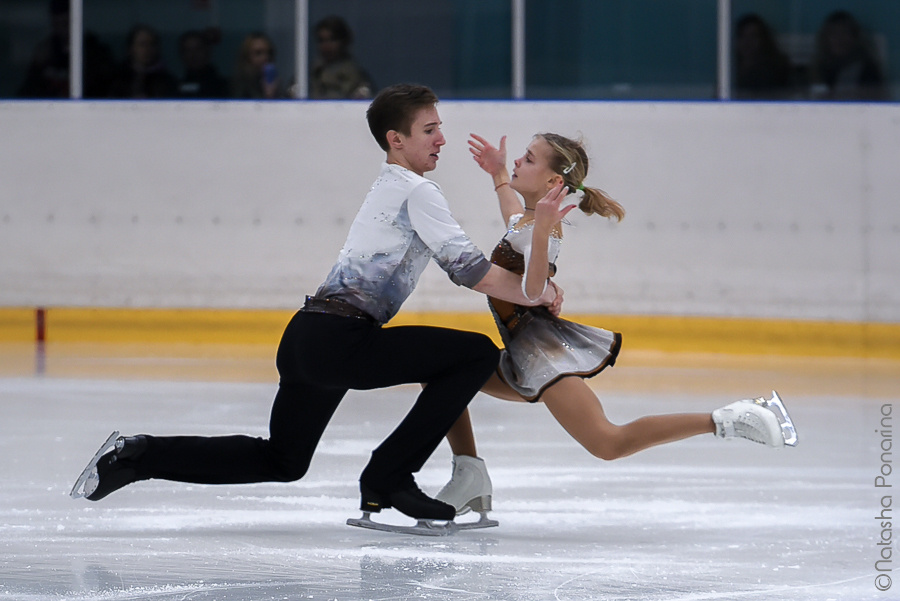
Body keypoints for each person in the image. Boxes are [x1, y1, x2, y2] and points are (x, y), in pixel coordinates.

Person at [70, 84, 566, 526]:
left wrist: (508, 205)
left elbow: (482, 263)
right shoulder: (418, 191)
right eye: (429, 130)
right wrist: (540, 293)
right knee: (475, 354)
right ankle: (390, 475)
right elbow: (472, 272)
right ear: (396, 139)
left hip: (309, 338)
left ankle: (138, 456)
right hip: (341, 341)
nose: (441, 139)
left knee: (282, 461)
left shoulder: (391, 185)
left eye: (440, 128)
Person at [432, 133, 799, 517]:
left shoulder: (545, 229)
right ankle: (469, 474)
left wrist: (541, 230)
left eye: (528, 158)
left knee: (608, 442)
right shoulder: (528, 221)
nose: (519, 162)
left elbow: (533, 290)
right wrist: (497, 173)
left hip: (543, 354)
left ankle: (730, 419)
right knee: (440, 371)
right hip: (523, 351)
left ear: (553, 181)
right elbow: (513, 221)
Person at [810, 10, 887, 101]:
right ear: (825, 39)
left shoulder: (868, 71)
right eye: (834, 33)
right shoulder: (818, 70)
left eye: (845, 33)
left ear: (855, 38)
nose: (839, 39)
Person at [309, 15, 374, 99]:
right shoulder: (310, 76)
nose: (326, 46)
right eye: (321, 40)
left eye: (332, 40)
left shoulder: (357, 78)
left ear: (343, 42)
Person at [108, 24, 177, 99]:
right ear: (131, 48)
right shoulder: (118, 79)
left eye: (152, 44)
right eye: (142, 44)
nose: (147, 49)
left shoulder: (167, 81)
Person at [733, 14, 792, 100]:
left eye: (753, 36)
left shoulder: (773, 73)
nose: (747, 42)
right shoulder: (728, 71)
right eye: (742, 36)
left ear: (763, 39)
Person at [176, 29, 228, 99]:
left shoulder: (222, 86)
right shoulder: (174, 87)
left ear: (207, 51)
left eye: (198, 49)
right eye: (188, 50)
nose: (193, 55)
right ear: (182, 54)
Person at [231, 32, 282, 99]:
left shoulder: (274, 83)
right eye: (258, 53)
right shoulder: (239, 86)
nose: (265, 57)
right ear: (247, 57)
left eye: (269, 53)